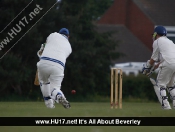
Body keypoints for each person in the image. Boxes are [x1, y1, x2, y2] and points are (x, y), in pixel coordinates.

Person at [36, 28, 72, 109]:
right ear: (68, 37)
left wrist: (42, 49)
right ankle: (59, 95)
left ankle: (49, 105)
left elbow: (44, 46)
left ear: (59, 33)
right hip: (58, 66)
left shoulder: (53, 35)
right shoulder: (69, 47)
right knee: (54, 88)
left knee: (44, 82)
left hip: (44, 62)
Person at [142, 25, 175, 110]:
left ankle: (166, 106)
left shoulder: (157, 42)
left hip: (168, 63)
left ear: (156, 34)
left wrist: (147, 67)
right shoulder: (170, 41)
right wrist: (156, 66)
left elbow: (153, 58)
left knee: (160, 84)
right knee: (171, 85)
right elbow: (169, 57)